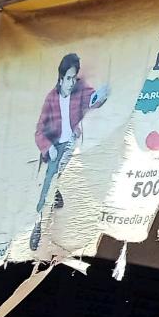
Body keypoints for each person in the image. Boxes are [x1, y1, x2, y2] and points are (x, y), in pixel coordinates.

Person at [30, 52, 105, 251]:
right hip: (56, 146)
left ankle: (57, 193)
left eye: (74, 77)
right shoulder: (51, 99)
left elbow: (93, 100)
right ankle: (38, 225)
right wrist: (48, 147)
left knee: (75, 172)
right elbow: (39, 131)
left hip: (74, 142)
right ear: (61, 78)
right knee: (47, 184)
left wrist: (100, 97)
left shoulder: (80, 89)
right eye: (69, 78)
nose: (72, 82)